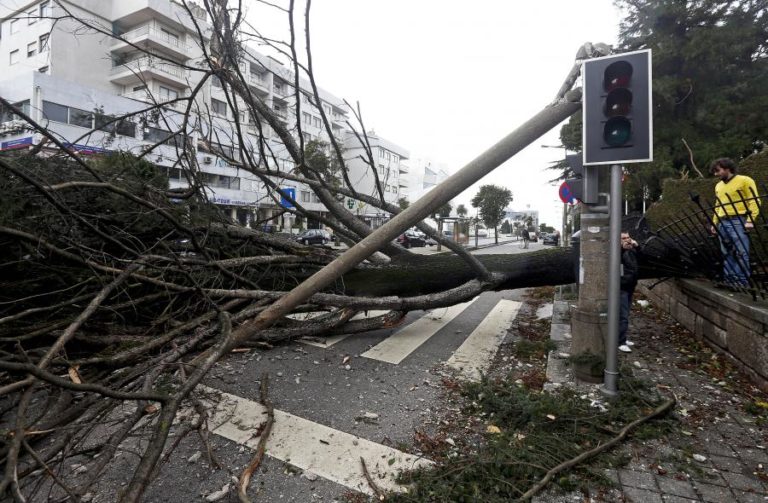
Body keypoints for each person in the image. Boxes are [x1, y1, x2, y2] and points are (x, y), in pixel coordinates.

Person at [709, 158, 760, 287]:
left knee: (741, 252)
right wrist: (715, 223)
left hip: (738, 220)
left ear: (727, 168)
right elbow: (718, 205)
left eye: (718, 170)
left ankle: (741, 282)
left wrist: (750, 220)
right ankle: (730, 281)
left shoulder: (745, 180)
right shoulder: (718, 186)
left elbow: (754, 200)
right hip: (722, 222)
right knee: (726, 253)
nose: (715, 174)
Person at [619, 232, 639, 353]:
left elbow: (643, 259)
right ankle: (620, 342)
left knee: (625, 315)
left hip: (630, 286)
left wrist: (637, 247)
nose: (627, 240)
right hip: (621, 287)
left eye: (628, 237)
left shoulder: (631, 250)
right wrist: (622, 249)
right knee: (623, 316)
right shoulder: (618, 251)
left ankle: (623, 338)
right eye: (623, 238)